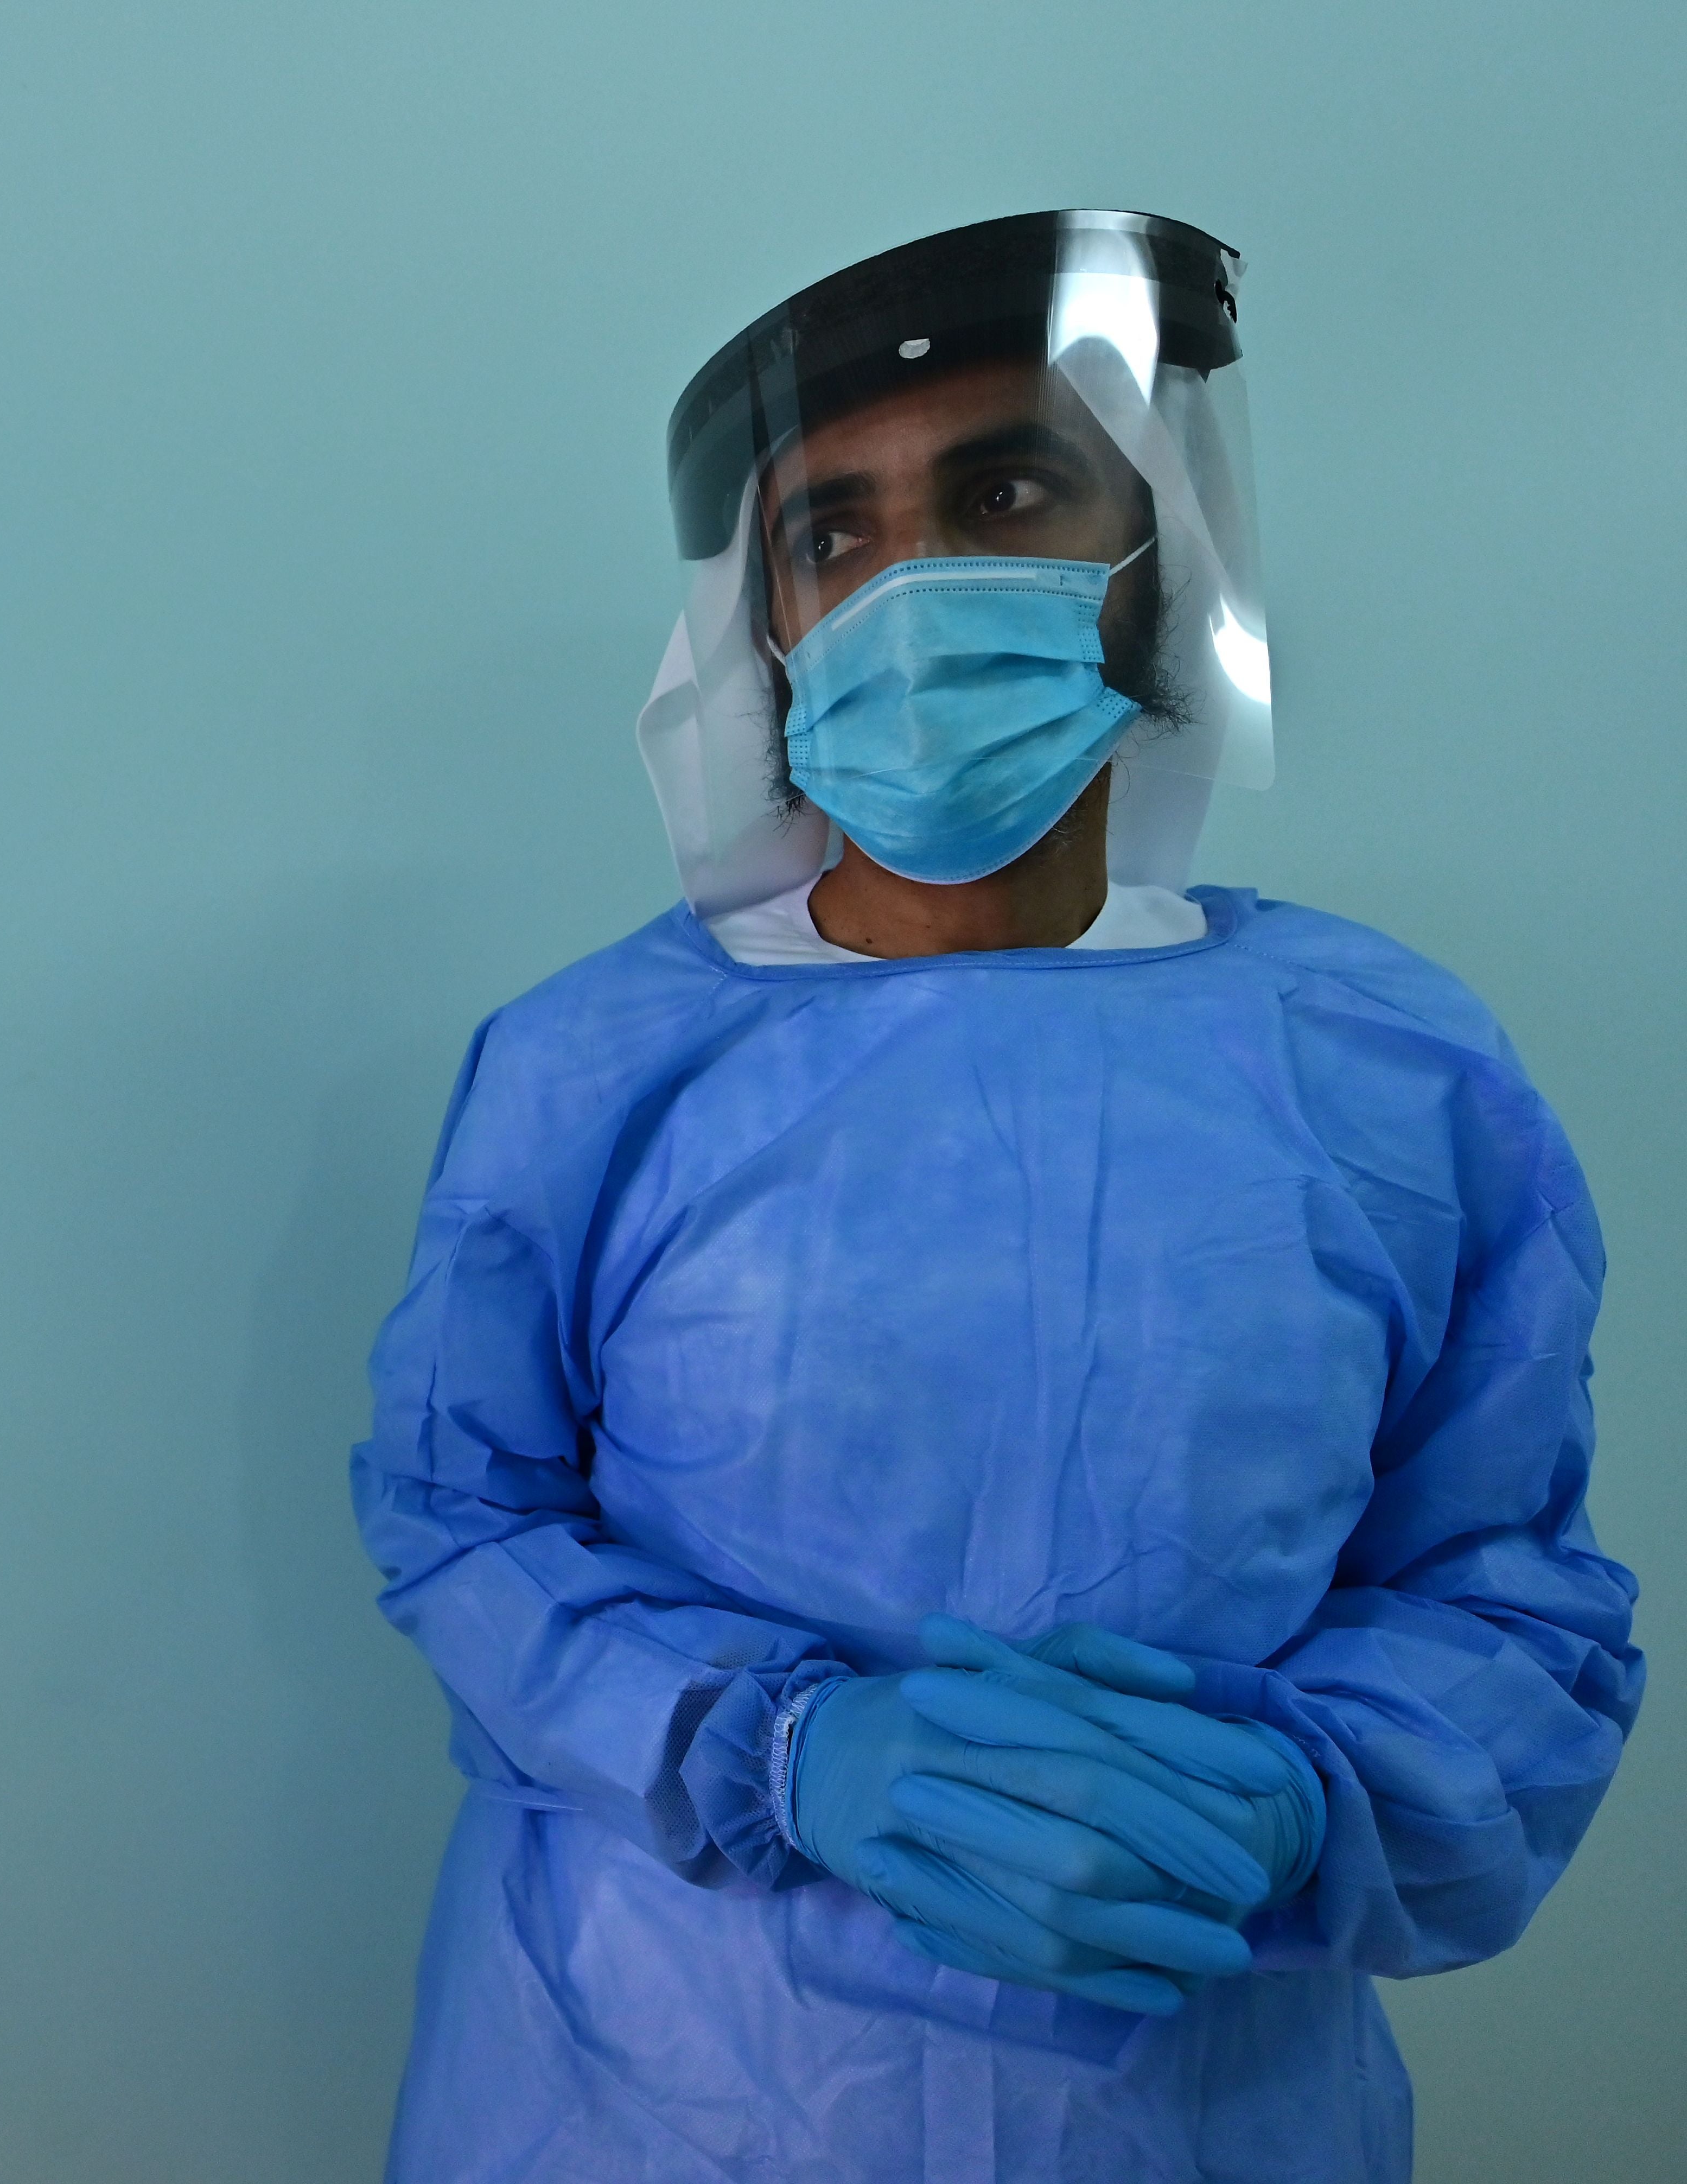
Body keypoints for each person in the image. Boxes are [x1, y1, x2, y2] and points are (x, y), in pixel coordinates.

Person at [350, 210, 1642, 2183]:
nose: (914, 586)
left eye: (1008, 488)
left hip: (1199, 2113)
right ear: (761, 629)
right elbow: (462, 1523)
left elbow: (1508, 1584)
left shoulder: (1392, 1070)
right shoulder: (596, 1070)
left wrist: (1308, 1795)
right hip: (646, 2092)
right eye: (833, 534)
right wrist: (777, 1750)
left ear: (1163, 555)